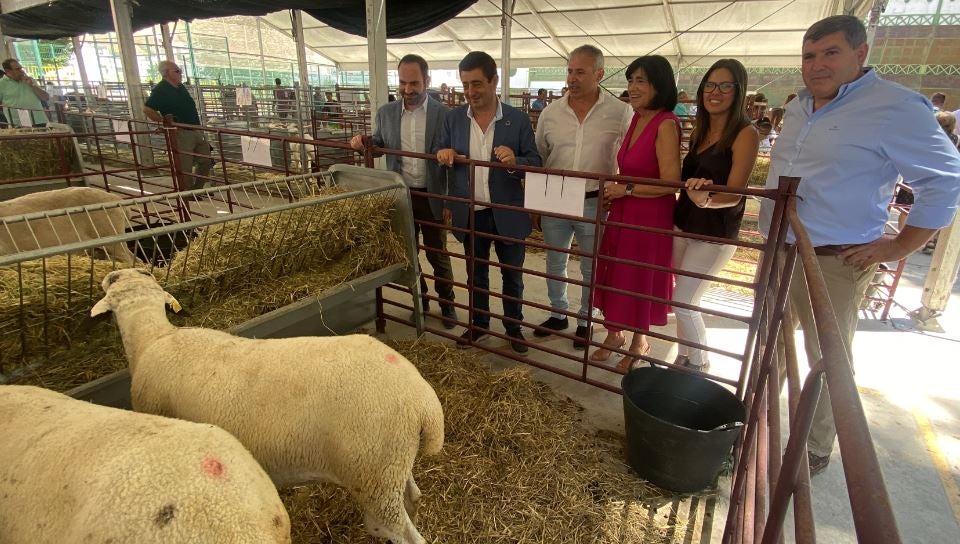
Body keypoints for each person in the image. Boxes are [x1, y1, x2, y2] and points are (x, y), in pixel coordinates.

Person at [759, 15, 960, 476]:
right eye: (810, 56)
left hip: (835, 257)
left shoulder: (894, 107)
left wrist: (900, 245)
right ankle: (759, 417)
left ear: (861, 53)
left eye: (831, 53)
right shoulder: (799, 107)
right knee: (769, 340)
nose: (817, 65)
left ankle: (815, 446)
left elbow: (945, 178)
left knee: (827, 354)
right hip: (780, 249)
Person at [435, 51, 542, 354]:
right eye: (466, 84)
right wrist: (445, 154)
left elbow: (535, 162)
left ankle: (513, 326)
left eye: (477, 84)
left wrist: (514, 161)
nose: (470, 92)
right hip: (470, 210)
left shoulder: (517, 120)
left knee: (513, 273)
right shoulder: (453, 118)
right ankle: (479, 324)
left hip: (507, 211)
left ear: (494, 81)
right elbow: (440, 151)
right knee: (475, 272)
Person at [533, 44, 632, 349]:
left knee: (591, 265)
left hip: (595, 198)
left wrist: (620, 188)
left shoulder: (620, 112)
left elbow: (627, 155)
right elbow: (541, 154)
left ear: (599, 74)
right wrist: (537, 201)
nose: (572, 78)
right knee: (555, 259)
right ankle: (558, 312)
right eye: (569, 71)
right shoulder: (550, 113)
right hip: (556, 193)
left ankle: (585, 320)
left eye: (580, 72)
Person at [350, 54, 458, 329]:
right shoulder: (386, 113)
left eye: (414, 83)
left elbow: (454, 156)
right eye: (403, 82)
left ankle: (448, 304)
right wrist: (364, 142)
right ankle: (420, 301)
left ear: (427, 80)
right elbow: (380, 141)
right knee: (409, 254)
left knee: (438, 254)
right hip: (401, 195)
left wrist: (449, 199)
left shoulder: (444, 114)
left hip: (431, 195)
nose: (408, 89)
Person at [591, 55, 682, 371]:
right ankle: (614, 334)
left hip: (649, 215)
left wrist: (626, 190)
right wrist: (615, 190)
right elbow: (629, 169)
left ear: (659, 84)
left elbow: (671, 182)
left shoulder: (666, 122)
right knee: (617, 272)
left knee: (639, 276)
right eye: (631, 81)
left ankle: (638, 341)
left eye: (640, 80)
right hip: (625, 210)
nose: (633, 87)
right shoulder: (637, 118)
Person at [672, 59, 759, 371]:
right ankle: (684, 356)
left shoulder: (745, 133)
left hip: (714, 232)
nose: (715, 92)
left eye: (725, 86)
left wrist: (705, 200)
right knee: (682, 299)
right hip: (683, 224)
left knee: (684, 301)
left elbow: (735, 193)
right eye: (710, 85)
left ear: (739, 91)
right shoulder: (701, 131)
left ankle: (699, 363)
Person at [144, 60, 212, 191]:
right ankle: (187, 193)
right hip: (181, 132)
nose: (180, 73)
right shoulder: (161, 89)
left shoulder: (180, 87)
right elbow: (148, 109)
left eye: (180, 70)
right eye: (177, 71)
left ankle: (196, 189)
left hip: (196, 129)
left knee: (206, 161)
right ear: (166, 73)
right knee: (184, 165)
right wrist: (164, 123)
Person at [0, 58, 50, 127]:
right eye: (17, 69)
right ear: (8, 71)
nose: (22, 71)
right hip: (18, 124)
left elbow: (46, 98)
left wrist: (32, 85)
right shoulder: (1, 84)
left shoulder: (30, 80)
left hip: (39, 120)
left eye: (21, 68)